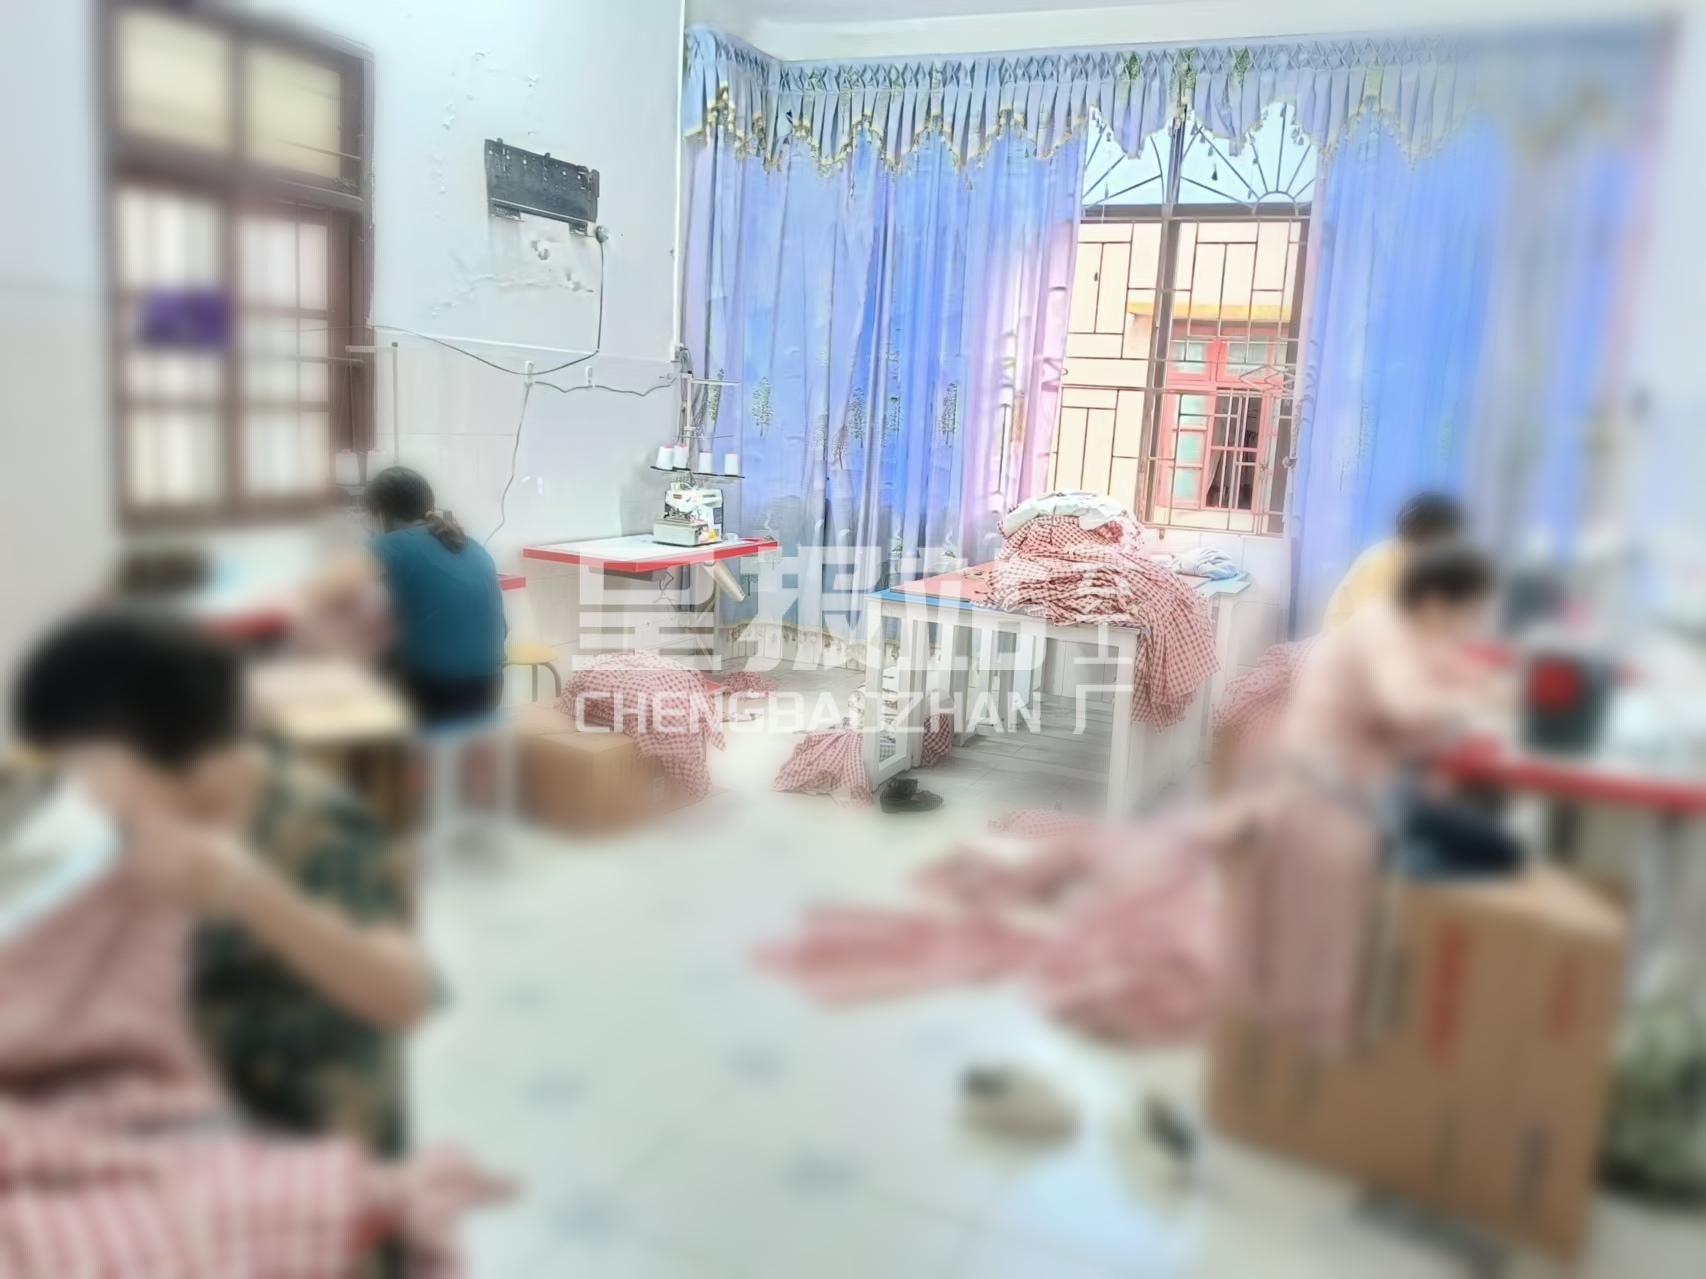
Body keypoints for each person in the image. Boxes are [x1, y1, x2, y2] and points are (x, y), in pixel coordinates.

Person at [12, 611, 433, 1155]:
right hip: (196, 1107)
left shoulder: (317, 825)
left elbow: (405, 996)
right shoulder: (154, 812)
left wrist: (247, 890)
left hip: (319, 1133)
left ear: (171, 740)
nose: (91, 796)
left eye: (93, 767)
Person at [1225, 542, 1502, 1049]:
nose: (1470, 628)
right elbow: (1408, 707)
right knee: (1485, 853)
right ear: (1439, 602)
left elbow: (1444, 681)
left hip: (1350, 788)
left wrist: (1478, 690)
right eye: (1468, 615)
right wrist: (1469, 702)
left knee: (1487, 847)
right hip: (1325, 800)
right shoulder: (1381, 631)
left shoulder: (1408, 630)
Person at [315, 467, 506, 726]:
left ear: (380, 513)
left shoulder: (389, 545)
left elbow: (319, 595)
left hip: (436, 693)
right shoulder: (469, 544)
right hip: (489, 687)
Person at [1321, 491, 1465, 631]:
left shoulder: (1408, 556)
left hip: (1366, 634)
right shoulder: (1385, 559)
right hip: (1344, 635)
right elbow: (1377, 623)